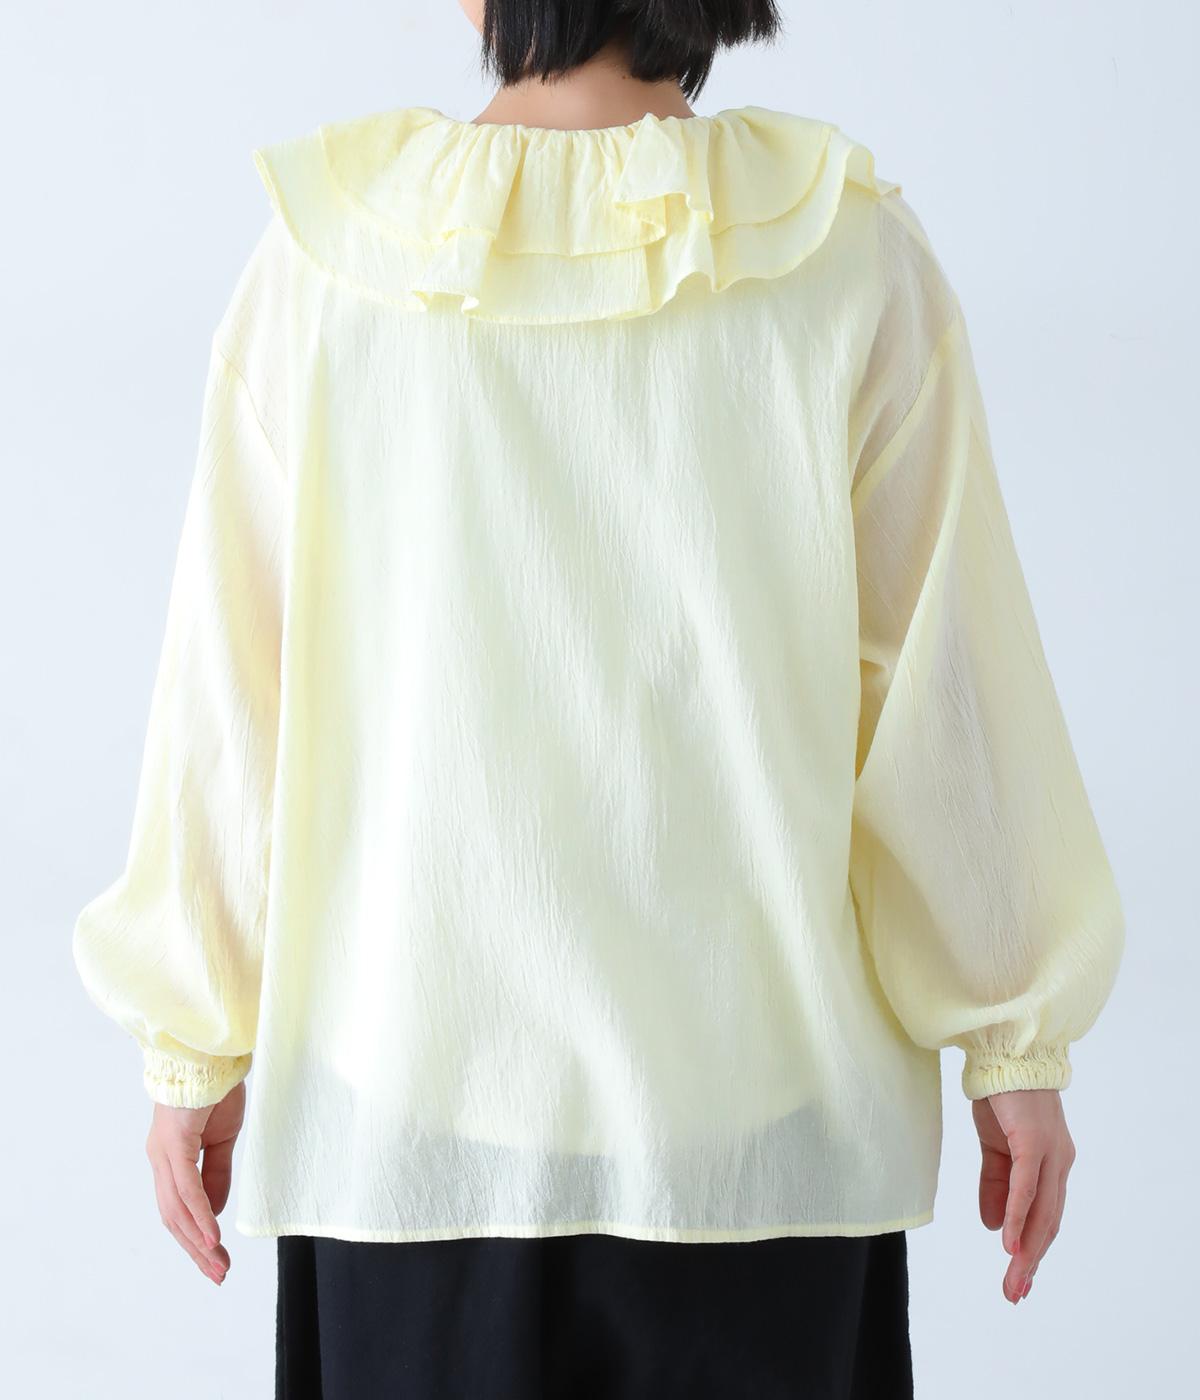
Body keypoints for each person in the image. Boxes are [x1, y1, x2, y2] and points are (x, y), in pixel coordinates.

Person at [71, 2, 1126, 1396]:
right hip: (755, 1135)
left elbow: (231, 698)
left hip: (415, 1124)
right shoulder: (842, 250)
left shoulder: (325, 263)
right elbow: (946, 690)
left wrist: (192, 1042)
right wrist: (1011, 1040)